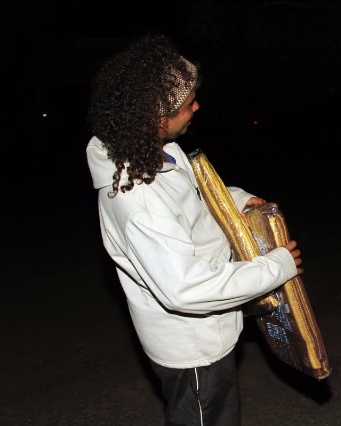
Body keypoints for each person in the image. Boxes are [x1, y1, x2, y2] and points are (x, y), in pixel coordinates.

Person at [85, 33, 303, 425]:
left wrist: (238, 200)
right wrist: (279, 266)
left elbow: (195, 199)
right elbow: (189, 289)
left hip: (211, 331)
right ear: (155, 117)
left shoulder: (156, 152)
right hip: (193, 348)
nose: (197, 107)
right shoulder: (139, 200)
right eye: (187, 105)